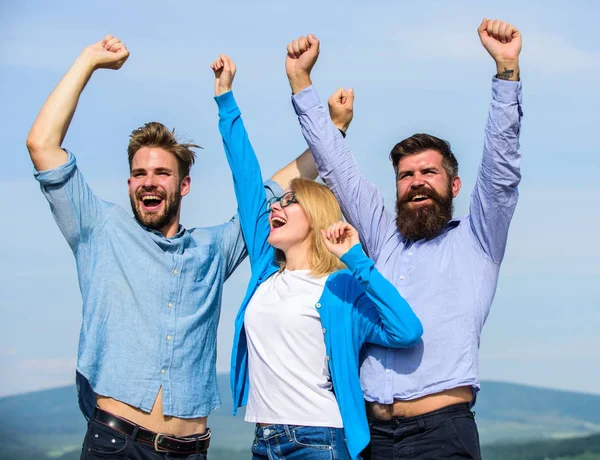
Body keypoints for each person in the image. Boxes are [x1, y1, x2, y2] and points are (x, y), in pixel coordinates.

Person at [26, 36, 318, 460]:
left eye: (162, 173)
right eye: (139, 173)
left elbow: (270, 190)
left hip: (190, 450)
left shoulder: (212, 249)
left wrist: (331, 131)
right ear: (129, 184)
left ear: (183, 186)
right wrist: (89, 61)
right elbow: (42, 145)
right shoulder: (99, 229)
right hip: (116, 445)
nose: (149, 181)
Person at [284, 18, 523, 459]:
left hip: (442, 436)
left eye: (429, 173)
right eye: (406, 175)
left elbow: (501, 169)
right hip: (371, 438)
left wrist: (506, 72)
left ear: (454, 186)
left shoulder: (479, 239)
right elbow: (338, 169)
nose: (416, 182)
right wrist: (302, 83)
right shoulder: (384, 239)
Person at [210, 54, 423, 460]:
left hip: (321, 441)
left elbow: (406, 329)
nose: (277, 206)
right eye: (279, 201)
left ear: (315, 217)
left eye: (291, 201)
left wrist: (358, 261)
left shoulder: (340, 288)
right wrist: (225, 100)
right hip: (264, 440)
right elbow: (248, 180)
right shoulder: (264, 271)